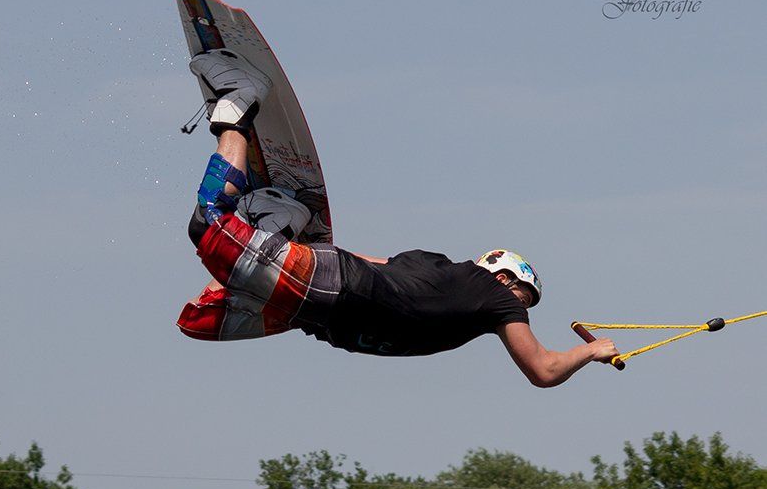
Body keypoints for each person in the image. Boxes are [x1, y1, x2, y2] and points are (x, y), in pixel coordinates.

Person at [177, 49, 619, 387]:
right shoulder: (492, 296)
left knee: (197, 322)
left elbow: (373, 262)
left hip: (314, 313)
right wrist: (593, 351)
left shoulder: (457, 302)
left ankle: (278, 222)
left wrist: (300, 248)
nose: (523, 305)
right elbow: (543, 369)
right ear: (503, 276)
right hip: (329, 290)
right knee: (209, 226)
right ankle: (239, 103)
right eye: (525, 293)